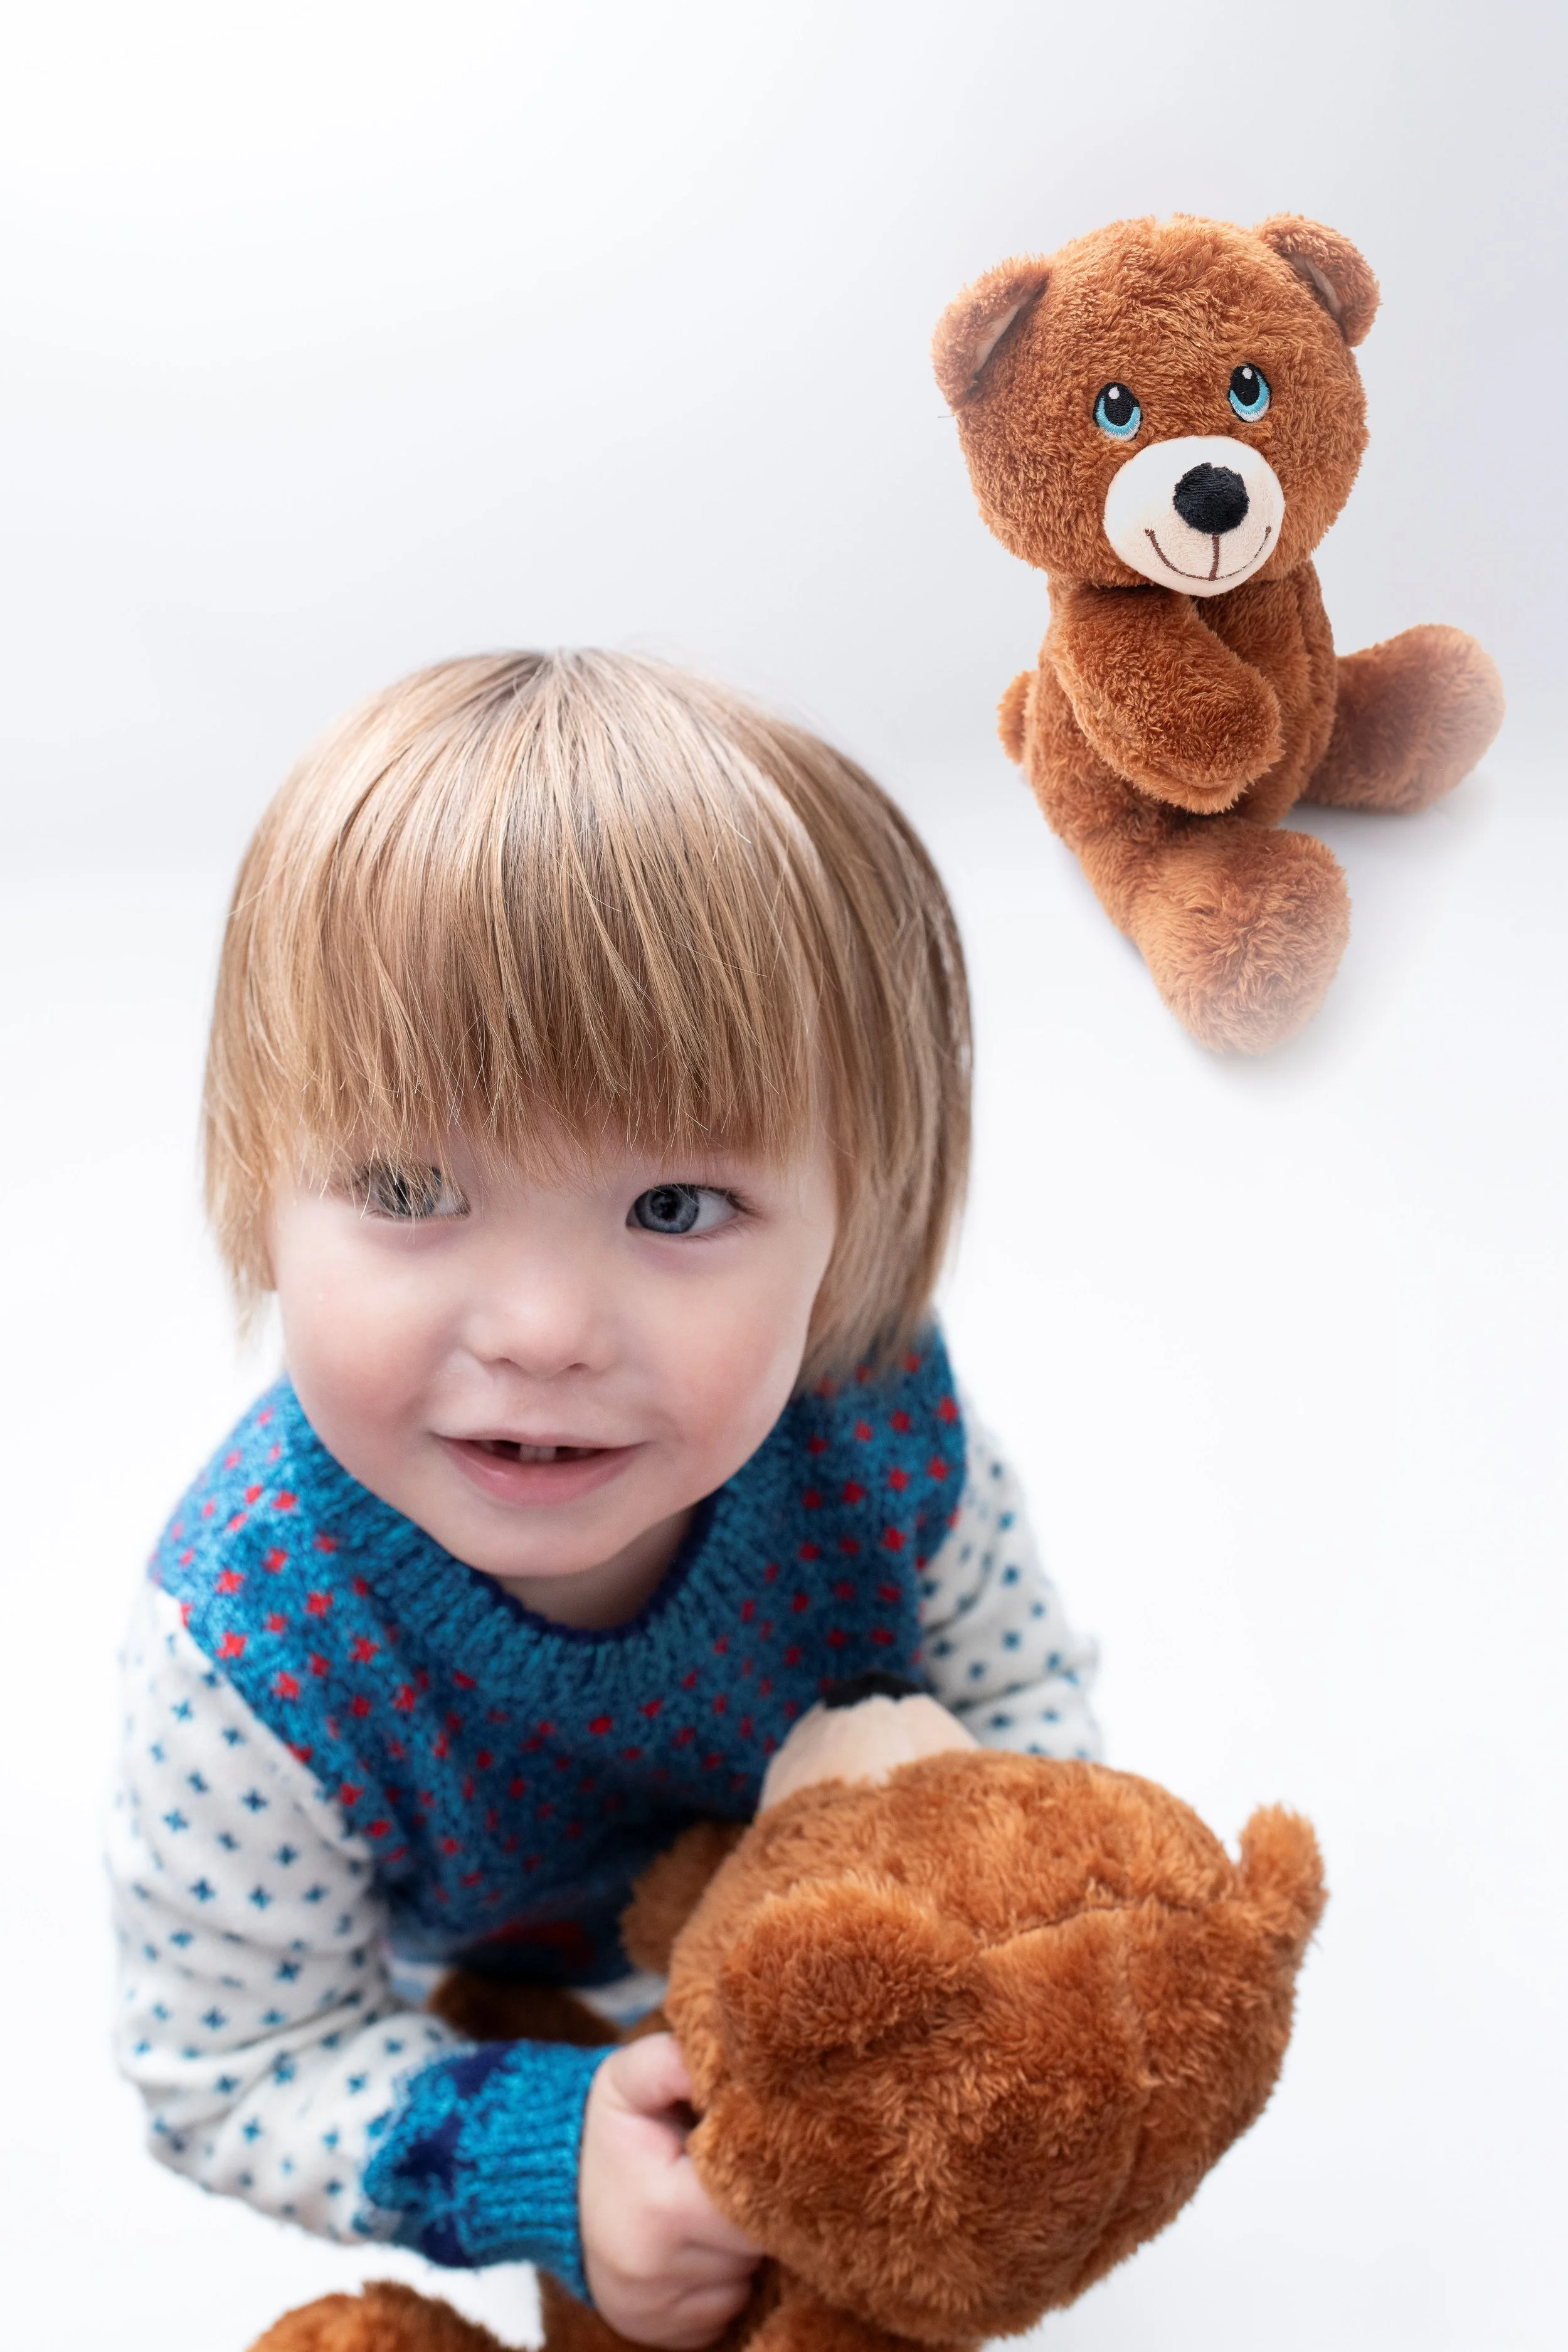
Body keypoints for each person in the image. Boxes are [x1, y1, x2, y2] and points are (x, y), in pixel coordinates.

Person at [109, 650, 1099, 2349]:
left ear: (850, 1225)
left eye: (674, 1202)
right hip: (521, 2015)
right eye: (413, 1184)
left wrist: (986, 1928)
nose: (545, 1330)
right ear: (256, 1181)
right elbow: (229, 2058)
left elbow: (1021, 1709)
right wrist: (543, 2159)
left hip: (838, 1955)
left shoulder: (872, 1421)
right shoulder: (251, 1641)